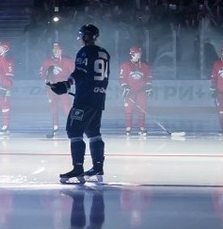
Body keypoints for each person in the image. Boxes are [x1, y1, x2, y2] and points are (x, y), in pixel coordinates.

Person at [50, 24, 111, 184]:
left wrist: (66, 84)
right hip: (99, 99)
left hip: (84, 100)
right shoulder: (104, 53)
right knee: (93, 132)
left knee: (73, 130)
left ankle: (78, 167)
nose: (79, 39)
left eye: (81, 36)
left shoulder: (84, 52)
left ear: (85, 36)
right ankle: (98, 166)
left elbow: (80, 73)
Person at [119, 46, 152, 136]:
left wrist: (149, 87)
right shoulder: (125, 65)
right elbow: (122, 78)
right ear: (132, 54)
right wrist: (125, 87)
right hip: (130, 91)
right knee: (129, 109)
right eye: (137, 53)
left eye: (140, 53)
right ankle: (128, 127)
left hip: (141, 90)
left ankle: (142, 127)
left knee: (142, 108)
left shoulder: (145, 66)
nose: (139, 54)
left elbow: (148, 77)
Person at [40, 42, 70, 136]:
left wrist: (69, 83)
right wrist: (46, 81)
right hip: (52, 86)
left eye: (57, 49)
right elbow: (42, 73)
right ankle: (55, 126)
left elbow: (73, 73)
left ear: (61, 50)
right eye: (54, 49)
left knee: (67, 106)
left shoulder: (68, 61)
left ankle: (70, 125)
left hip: (64, 86)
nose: (55, 50)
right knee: (53, 107)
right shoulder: (47, 61)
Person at [0, 40, 15, 133]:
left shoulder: (7, 60)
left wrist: (5, 87)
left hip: (3, 87)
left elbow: (9, 77)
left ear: (5, 49)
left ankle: (6, 125)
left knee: (5, 105)